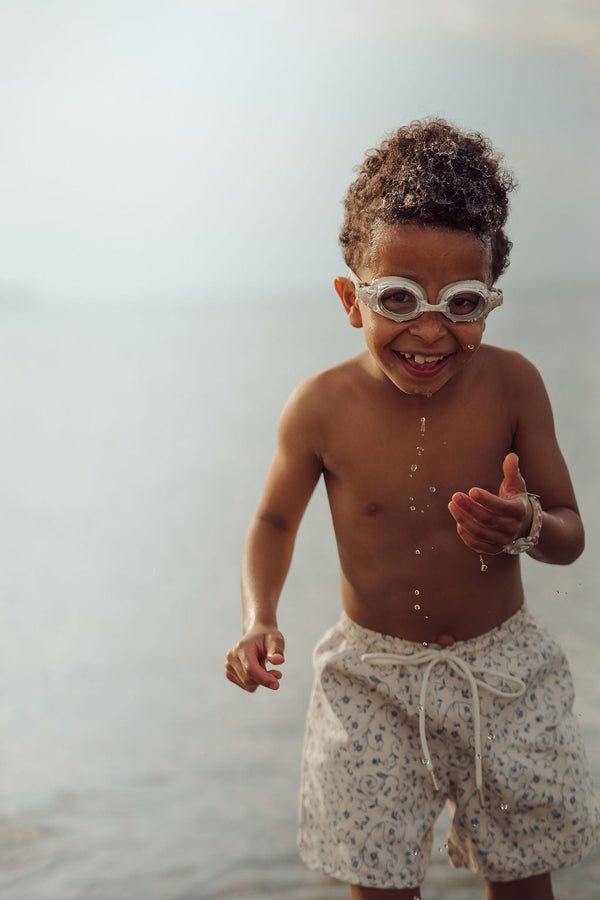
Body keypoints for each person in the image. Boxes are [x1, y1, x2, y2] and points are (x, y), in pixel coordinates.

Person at [225, 118, 599, 900]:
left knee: (524, 877)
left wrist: (527, 524)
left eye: (461, 304)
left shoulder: (513, 386)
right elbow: (273, 523)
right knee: (380, 885)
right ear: (351, 298)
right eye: (398, 298)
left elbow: (569, 534)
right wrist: (260, 615)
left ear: (490, 300)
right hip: (372, 680)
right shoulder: (320, 408)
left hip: (504, 676)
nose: (429, 330)